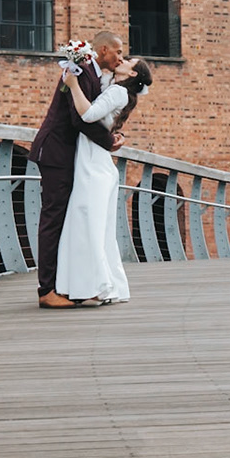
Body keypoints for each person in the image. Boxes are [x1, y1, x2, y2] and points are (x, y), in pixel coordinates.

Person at [31, 31, 126, 309]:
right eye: (118, 52)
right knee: (54, 220)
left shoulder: (91, 74)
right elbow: (80, 119)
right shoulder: (83, 72)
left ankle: (67, 286)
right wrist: (109, 143)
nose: (120, 58)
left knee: (66, 220)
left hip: (66, 154)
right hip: (56, 153)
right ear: (104, 50)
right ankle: (46, 290)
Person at [56, 57, 153, 304]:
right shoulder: (115, 86)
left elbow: (89, 115)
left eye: (129, 61)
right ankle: (100, 285)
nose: (123, 59)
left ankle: (98, 288)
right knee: (93, 225)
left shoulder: (119, 91)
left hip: (94, 164)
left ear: (132, 74)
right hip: (94, 159)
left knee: (90, 225)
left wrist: (72, 84)